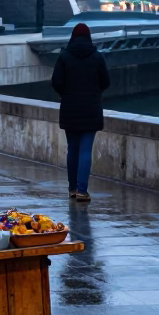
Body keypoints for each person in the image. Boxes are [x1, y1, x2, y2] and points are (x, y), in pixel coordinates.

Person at [51, 21, 110, 203]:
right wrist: (94, 93)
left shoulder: (64, 57)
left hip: (70, 108)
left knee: (73, 150)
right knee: (85, 150)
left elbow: (56, 82)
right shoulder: (97, 57)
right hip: (91, 108)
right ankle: (83, 191)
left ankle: (72, 188)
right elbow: (106, 81)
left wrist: (67, 94)